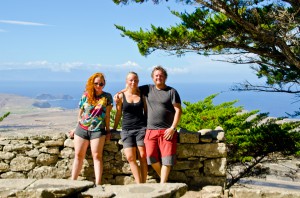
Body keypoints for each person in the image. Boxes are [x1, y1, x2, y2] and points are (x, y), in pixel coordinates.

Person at [115, 65, 182, 183]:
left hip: (167, 130)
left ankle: (162, 185)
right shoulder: (148, 89)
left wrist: (173, 128)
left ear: (165, 77)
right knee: (150, 157)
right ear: (152, 78)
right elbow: (132, 87)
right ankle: (163, 180)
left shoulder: (172, 91)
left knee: (167, 159)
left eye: (161, 75)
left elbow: (178, 110)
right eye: (156, 75)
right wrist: (119, 92)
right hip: (150, 130)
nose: (158, 77)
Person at [69, 72, 113, 186]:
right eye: (96, 83)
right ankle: (72, 183)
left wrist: (108, 131)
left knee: (97, 156)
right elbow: (80, 114)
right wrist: (76, 128)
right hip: (82, 129)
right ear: (92, 83)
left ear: (104, 84)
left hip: (98, 130)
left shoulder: (107, 97)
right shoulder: (86, 95)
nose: (99, 86)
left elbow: (107, 115)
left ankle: (98, 184)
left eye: (101, 84)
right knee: (78, 155)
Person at [112, 71, 148, 183]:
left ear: (138, 81)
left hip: (141, 128)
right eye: (131, 80)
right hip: (127, 129)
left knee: (142, 156)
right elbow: (118, 113)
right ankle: (139, 183)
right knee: (130, 158)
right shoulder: (121, 96)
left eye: (135, 80)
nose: (133, 82)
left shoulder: (142, 95)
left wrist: (148, 127)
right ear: (126, 81)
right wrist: (114, 128)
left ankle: (144, 183)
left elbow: (146, 112)